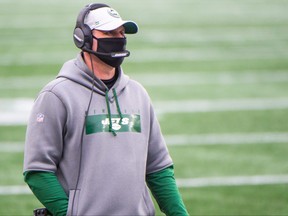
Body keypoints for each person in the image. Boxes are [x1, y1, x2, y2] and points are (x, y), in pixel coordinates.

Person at [23, 3, 189, 216]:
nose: (118, 38)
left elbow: (159, 168)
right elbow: (38, 171)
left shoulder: (138, 94)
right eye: (109, 32)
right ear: (82, 37)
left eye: (121, 32)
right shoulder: (56, 96)